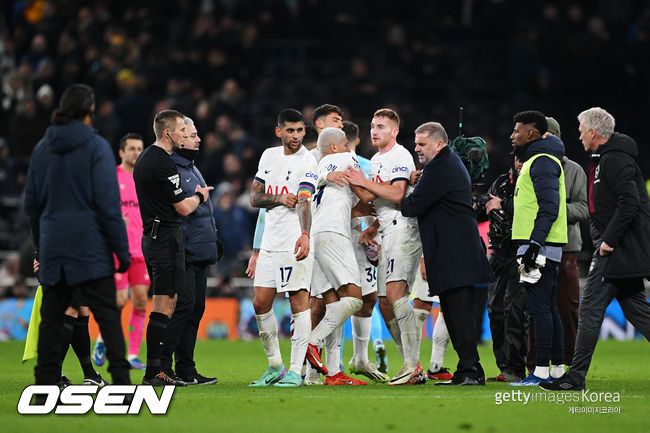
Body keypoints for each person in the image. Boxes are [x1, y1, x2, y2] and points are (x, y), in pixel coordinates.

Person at [24, 83, 131, 387]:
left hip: (54, 249)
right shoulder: (96, 147)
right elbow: (108, 205)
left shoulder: (42, 148)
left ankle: (45, 387)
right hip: (90, 248)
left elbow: (32, 205)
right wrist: (121, 252)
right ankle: (122, 388)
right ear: (89, 111)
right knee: (108, 319)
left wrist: (41, 250)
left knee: (51, 322)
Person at [542, 107, 650, 391]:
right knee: (638, 311)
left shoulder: (616, 159)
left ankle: (575, 377)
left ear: (593, 131)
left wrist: (609, 241)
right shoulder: (606, 159)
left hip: (615, 251)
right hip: (620, 251)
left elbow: (630, 202)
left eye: (581, 131)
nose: (579, 136)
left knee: (589, 310)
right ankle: (575, 376)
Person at [399, 121, 493, 386]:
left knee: (458, 314)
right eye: (416, 144)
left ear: (439, 143)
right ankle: (468, 369)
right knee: (453, 313)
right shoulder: (446, 164)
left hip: (454, 254)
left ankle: (471, 370)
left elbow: (411, 206)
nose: (417, 148)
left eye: (422, 144)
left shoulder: (439, 167)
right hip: (455, 251)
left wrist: (403, 187)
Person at [134, 109, 213, 386]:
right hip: (164, 238)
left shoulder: (147, 159)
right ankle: (156, 370)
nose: (184, 135)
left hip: (158, 236)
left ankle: (159, 369)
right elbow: (182, 207)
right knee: (165, 305)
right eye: (181, 130)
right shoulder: (163, 163)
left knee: (168, 304)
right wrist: (200, 196)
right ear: (168, 133)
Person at [346, 108, 424, 386]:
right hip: (387, 230)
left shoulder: (399, 155)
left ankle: (412, 365)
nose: (374, 131)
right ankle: (411, 364)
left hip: (404, 229)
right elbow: (375, 198)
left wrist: (361, 181)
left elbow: (398, 194)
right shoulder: (378, 159)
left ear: (394, 131)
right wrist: (373, 226)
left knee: (395, 293)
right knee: (385, 302)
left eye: (381, 126)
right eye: (372, 126)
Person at [248, 109, 317, 387]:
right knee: (260, 302)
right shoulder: (268, 156)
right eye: (290, 130)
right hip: (270, 242)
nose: (296, 136)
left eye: (300, 130)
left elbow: (304, 200)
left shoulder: (308, 161)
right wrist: (278, 198)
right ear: (279, 131)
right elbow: (255, 198)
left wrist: (305, 234)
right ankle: (275, 366)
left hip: (293, 241)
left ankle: (296, 371)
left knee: (299, 303)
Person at [303, 127, 367, 386]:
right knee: (354, 299)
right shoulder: (346, 158)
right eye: (346, 145)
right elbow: (365, 193)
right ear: (334, 147)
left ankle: (332, 373)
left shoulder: (318, 165)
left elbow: (353, 203)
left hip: (317, 233)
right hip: (334, 232)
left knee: (333, 303)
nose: (350, 149)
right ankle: (311, 343)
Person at [509, 110, 567, 386]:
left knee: (539, 308)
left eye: (517, 130)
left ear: (531, 133)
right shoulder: (540, 160)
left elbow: (549, 207)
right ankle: (556, 369)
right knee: (548, 308)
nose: (512, 135)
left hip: (540, 246)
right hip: (543, 244)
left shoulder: (542, 161)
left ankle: (541, 371)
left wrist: (534, 244)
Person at [160, 117, 219, 385]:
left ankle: (186, 369)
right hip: (184, 250)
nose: (198, 139)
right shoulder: (173, 169)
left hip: (199, 250)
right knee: (182, 307)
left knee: (195, 308)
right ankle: (163, 366)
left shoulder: (191, 168)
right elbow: (181, 210)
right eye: (192, 135)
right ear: (178, 137)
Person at [93, 133, 150, 371]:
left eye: (140, 149)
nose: (136, 153)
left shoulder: (145, 179)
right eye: (132, 148)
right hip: (117, 249)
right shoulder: (111, 178)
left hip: (141, 249)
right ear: (121, 152)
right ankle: (101, 340)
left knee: (140, 301)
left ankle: (133, 354)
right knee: (118, 300)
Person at [342, 120, 390, 379]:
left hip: (362, 238)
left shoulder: (369, 166)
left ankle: (359, 358)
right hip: (343, 237)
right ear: (359, 139)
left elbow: (374, 203)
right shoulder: (365, 165)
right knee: (334, 299)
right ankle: (321, 363)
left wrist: (372, 232)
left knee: (367, 297)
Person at [478, 154, 527, 382]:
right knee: (494, 309)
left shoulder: (532, 182)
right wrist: (479, 204)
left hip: (520, 251)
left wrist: (502, 205)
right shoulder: (500, 182)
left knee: (515, 310)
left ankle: (516, 368)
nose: (520, 163)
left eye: (523, 159)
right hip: (498, 252)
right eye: (518, 159)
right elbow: (484, 211)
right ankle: (504, 366)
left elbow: (531, 211)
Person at [544, 117, 588, 367]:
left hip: (566, 250)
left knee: (568, 309)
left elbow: (583, 208)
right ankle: (535, 363)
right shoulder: (529, 166)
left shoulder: (574, 170)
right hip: (537, 247)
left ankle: (571, 364)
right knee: (535, 309)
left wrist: (552, 208)